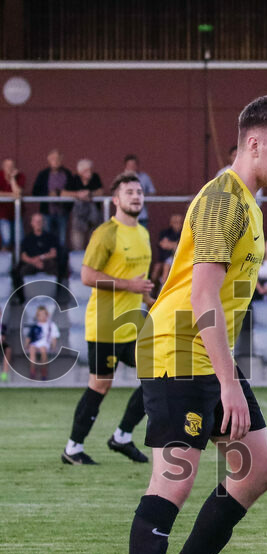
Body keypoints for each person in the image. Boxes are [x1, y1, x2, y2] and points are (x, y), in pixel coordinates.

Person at [107, 94, 267, 554]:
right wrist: (228, 383)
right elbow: (202, 296)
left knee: (257, 468)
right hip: (177, 347)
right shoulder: (226, 199)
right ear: (254, 141)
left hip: (198, 351)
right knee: (174, 477)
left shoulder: (249, 200)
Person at [61, 172, 154, 465]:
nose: (136, 196)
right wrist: (131, 287)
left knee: (157, 376)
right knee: (100, 384)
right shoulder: (106, 233)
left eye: (139, 191)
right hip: (105, 325)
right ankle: (73, 449)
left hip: (133, 323)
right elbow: (87, 276)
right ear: (116, 200)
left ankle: (122, 436)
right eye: (129, 192)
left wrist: (152, 301)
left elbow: (140, 283)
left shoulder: (144, 233)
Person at [31, 149, 73, 244]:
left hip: (62, 212)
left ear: (61, 160)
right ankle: (48, 257)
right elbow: (35, 192)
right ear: (48, 160)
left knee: (62, 239)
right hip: (47, 212)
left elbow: (72, 190)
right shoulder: (43, 174)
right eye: (53, 159)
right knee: (47, 238)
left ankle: (60, 258)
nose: (55, 161)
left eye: (58, 159)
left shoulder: (67, 173)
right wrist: (48, 194)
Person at [64, 159, 104, 250]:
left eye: (90, 170)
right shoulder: (74, 179)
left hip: (94, 216)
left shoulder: (95, 177)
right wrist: (78, 194)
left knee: (94, 244)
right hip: (79, 217)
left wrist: (89, 194)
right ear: (80, 172)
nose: (89, 172)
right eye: (87, 170)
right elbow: (63, 193)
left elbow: (101, 191)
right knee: (77, 243)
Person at [17, 212, 59, 278]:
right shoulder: (27, 239)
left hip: (46, 263)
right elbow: (23, 257)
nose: (38, 223)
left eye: (40, 221)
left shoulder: (51, 237)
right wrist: (34, 262)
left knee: (54, 265)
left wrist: (40, 258)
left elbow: (53, 253)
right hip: (32, 263)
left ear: (44, 223)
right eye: (36, 221)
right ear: (31, 223)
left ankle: (55, 288)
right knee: (21, 270)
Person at [24, 304, 59, 380]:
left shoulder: (51, 325)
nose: (42, 316)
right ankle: (33, 370)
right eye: (40, 315)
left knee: (43, 350)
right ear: (37, 316)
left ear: (47, 315)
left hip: (45, 344)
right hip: (35, 344)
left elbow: (54, 337)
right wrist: (26, 345)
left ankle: (43, 370)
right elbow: (29, 337)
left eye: (44, 314)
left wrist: (53, 346)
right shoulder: (35, 326)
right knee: (32, 349)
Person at [122, 155, 156, 228]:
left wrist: (142, 195)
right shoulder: (121, 178)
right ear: (125, 166)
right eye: (129, 165)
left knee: (142, 238)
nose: (131, 167)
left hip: (141, 215)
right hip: (126, 216)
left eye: (133, 165)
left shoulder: (144, 177)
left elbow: (152, 192)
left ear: (137, 166)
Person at [0, 158, 26, 249]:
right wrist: (11, 194)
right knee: (6, 239)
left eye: (11, 166)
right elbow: (14, 194)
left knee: (20, 239)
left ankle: (18, 261)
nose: (9, 168)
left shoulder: (20, 176)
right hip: (2, 214)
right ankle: (6, 262)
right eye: (7, 166)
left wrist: (12, 179)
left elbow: (18, 193)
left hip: (17, 214)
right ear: (3, 167)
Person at [153, 214, 183, 287]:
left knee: (166, 268)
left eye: (178, 222)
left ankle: (162, 290)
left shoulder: (184, 232)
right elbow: (162, 244)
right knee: (156, 270)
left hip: (179, 258)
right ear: (171, 223)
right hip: (165, 257)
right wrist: (175, 245)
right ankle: (152, 290)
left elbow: (181, 246)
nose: (177, 224)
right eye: (174, 222)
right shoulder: (165, 232)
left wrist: (170, 244)